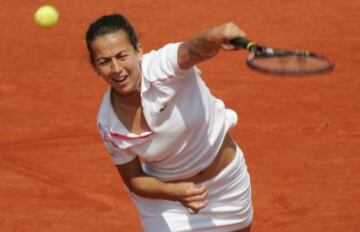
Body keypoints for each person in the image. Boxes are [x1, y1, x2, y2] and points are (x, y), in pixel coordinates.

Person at [85, 13, 253, 232]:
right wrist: (175, 192)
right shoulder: (109, 123)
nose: (116, 69)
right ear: (95, 67)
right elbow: (134, 179)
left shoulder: (162, 67)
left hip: (227, 187)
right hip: (167, 203)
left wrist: (215, 35)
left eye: (121, 56)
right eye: (104, 62)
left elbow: (193, 48)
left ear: (138, 51)